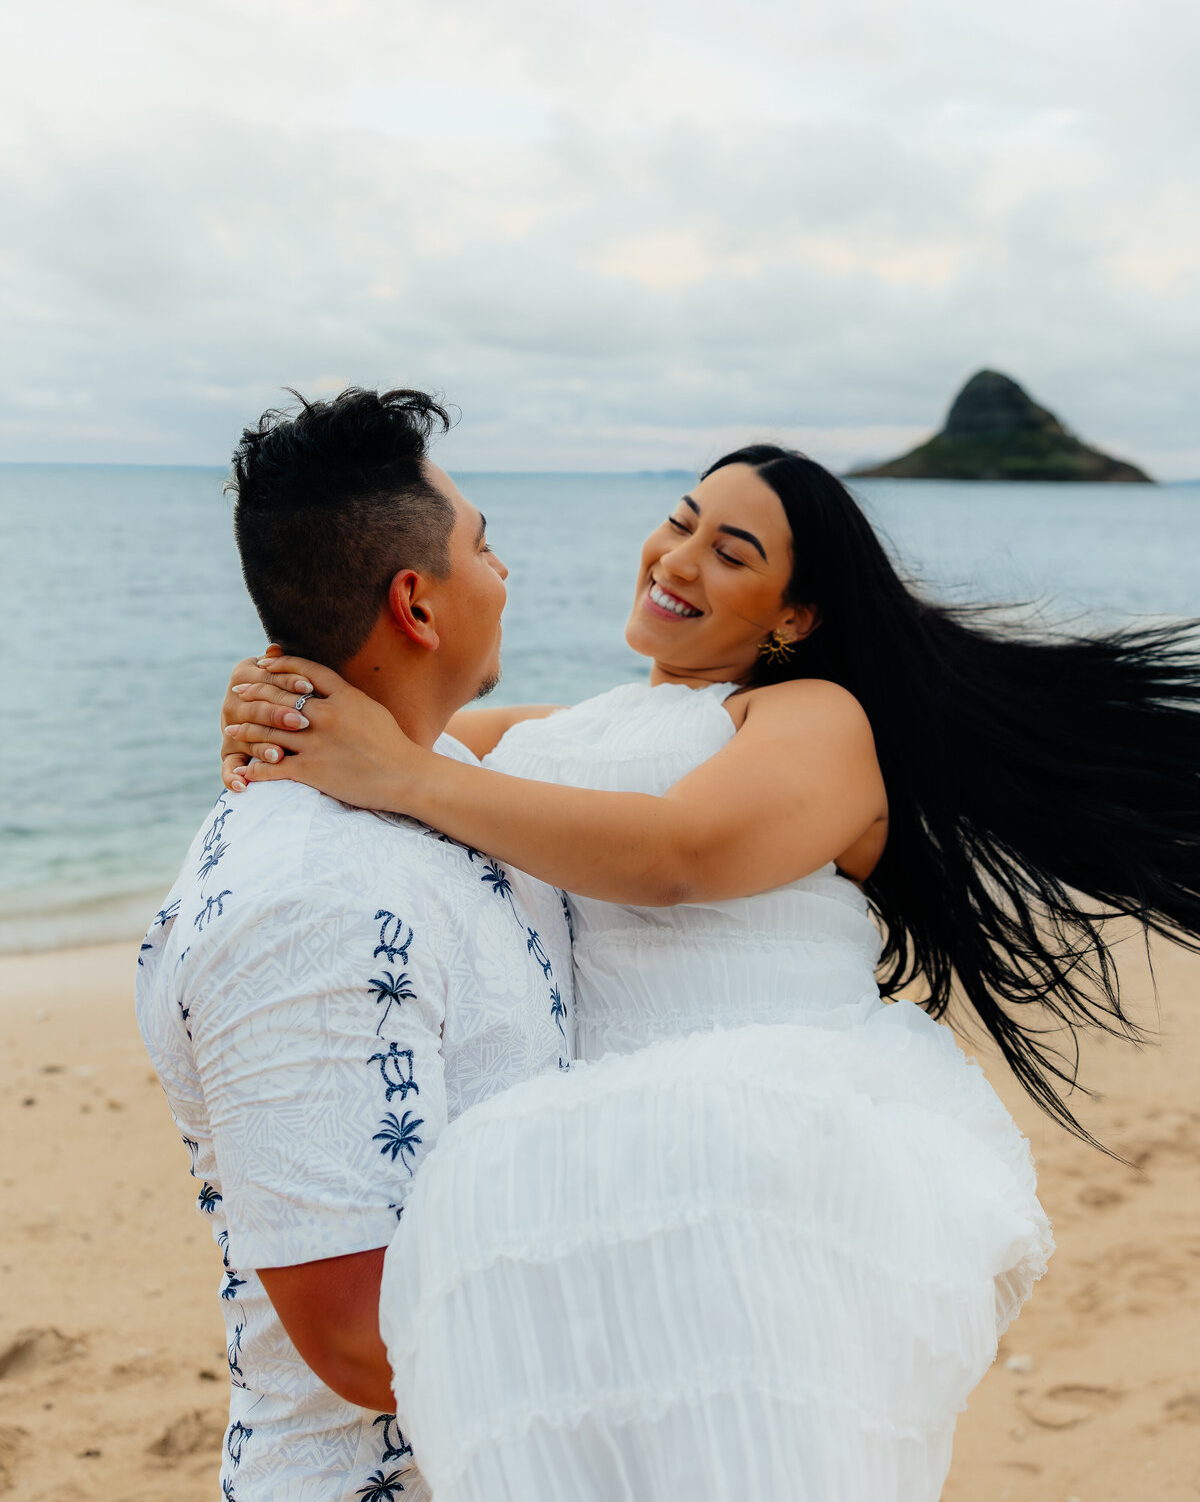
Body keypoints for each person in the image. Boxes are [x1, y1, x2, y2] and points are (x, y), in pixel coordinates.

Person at [222, 437, 1200, 1502]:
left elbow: (680, 857)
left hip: (761, 1131)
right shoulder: (573, 726)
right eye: (682, 520)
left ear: (796, 617)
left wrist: (407, 775)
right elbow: (388, 724)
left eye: (731, 552)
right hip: (600, 1147)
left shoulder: (814, 718)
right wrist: (274, 708)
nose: (678, 559)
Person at [136, 388, 574, 1502]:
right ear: (417, 603)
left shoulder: (442, 782)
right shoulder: (305, 907)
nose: (506, 573)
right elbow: (362, 1345)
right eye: (487, 545)